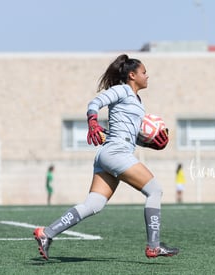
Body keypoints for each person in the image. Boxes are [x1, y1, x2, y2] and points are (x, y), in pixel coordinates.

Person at [33, 54, 179, 260]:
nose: (147, 76)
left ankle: (46, 233)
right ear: (132, 75)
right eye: (144, 72)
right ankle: (153, 246)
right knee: (155, 190)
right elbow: (95, 102)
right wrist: (92, 121)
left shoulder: (138, 102)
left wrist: (150, 143)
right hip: (116, 153)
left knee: (94, 204)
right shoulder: (122, 90)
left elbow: (128, 135)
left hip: (110, 153)